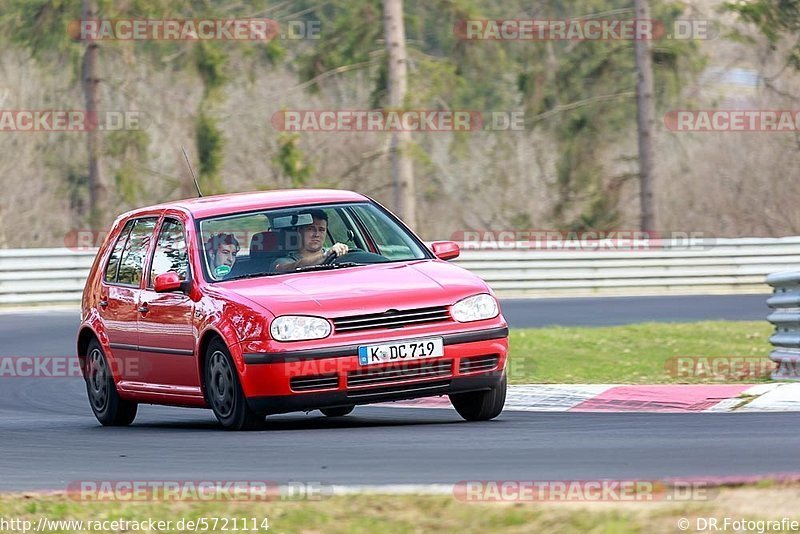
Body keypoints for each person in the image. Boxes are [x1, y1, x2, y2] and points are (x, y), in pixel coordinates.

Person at [273, 209, 349, 273]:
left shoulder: (336, 254)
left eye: (321, 230)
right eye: (310, 229)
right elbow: (290, 267)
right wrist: (325, 256)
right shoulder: (283, 261)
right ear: (299, 230)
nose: (316, 234)